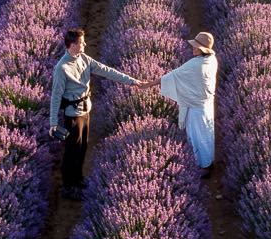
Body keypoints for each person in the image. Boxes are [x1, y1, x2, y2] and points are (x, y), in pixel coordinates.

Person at [49, 28, 146, 200]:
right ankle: (68, 186)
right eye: (81, 42)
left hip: (86, 109)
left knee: (83, 147)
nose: (85, 44)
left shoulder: (84, 58)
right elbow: (56, 96)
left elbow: (106, 71)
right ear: (72, 45)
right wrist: (53, 123)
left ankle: (78, 178)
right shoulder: (61, 68)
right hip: (73, 114)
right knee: (72, 149)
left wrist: (132, 81)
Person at [160, 31, 218, 175]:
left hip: (196, 109)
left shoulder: (195, 64)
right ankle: (208, 163)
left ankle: (202, 166)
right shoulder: (212, 60)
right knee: (206, 134)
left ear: (202, 49)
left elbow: (172, 76)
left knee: (196, 136)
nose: (193, 48)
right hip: (206, 105)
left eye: (196, 46)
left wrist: (148, 84)